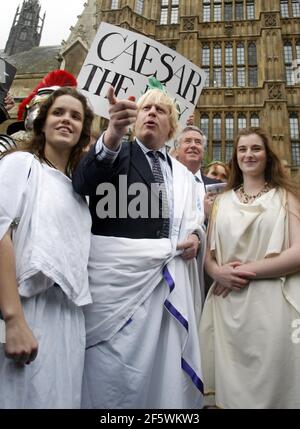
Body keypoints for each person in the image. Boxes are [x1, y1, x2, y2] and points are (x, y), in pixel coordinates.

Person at [73, 84, 204, 409]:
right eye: (146, 108)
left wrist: (197, 239)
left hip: (165, 295)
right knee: (112, 380)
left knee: (161, 382)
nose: (151, 114)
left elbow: (193, 220)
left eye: (160, 110)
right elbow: (82, 182)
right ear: (134, 119)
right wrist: (113, 134)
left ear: (171, 127)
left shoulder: (183, 176)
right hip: (117, 296)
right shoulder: (116, 153)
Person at [0, 87, 94, 409]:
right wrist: (13, 318)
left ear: (83, 131)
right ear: (42, 124)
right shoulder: (22, 165)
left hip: (67, 323)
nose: (67, 120)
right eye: (59, 113)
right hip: (26, 311)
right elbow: (0, 233)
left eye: (76, 116)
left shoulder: (80, 194)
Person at [199, 127, 300, 409]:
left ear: (268, 156)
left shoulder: (285, 196)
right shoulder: (220, 203)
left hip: (273, 307)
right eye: (242, 149)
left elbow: (298, 253)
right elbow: (209, 258)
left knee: (274, 390)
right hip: (227, 309)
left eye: (256, 148)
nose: (249, 154)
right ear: (235, 157)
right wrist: (218, 272)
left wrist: (244, 271)